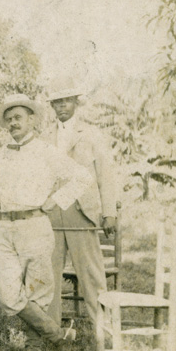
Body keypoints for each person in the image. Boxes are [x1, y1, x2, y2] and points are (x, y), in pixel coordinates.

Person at [0, 94, 93, 351]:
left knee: (37, 295)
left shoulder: (45, 151)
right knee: (9, 297)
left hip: (34, 226)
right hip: (5, 228)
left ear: (32, 120)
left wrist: (56, 200)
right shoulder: (3, 151)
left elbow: (83, 177)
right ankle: (62, 336)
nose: (13, 123)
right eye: (9, 119)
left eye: (18, 118)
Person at [42, 83, 118, 326]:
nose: (61, 106)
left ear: (76, 102)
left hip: (81, 212)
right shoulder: (44, 136)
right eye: (56, 102)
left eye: (66, 100)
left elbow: (106, 175)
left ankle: (104, 335)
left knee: (92, 277)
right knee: (48, 277)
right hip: (51, 214)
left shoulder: (92, 134)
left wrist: (109, 213)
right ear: (52, 106)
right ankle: (51, 334)